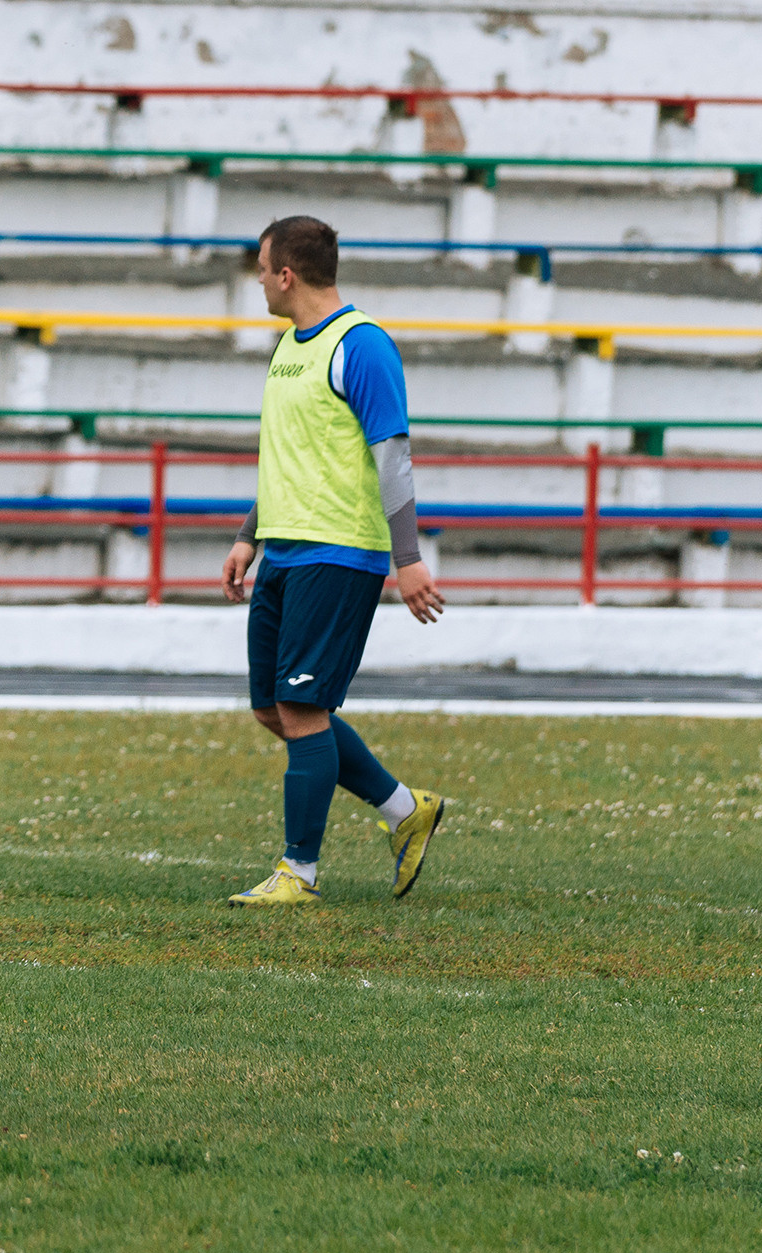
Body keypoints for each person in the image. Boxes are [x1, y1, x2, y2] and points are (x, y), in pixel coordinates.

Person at [219, 215, 447, 907]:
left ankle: (299, 871)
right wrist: (247, 535)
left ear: (286, 273)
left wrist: (406, 558)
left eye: (262, 268)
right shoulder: (289, 345)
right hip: (284, 550)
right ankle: (406, 809)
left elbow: (393, 456)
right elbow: (284, 452)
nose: (257, 280)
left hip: (339, 551)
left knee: (301, 705)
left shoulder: (363, 345)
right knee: (274, 709)